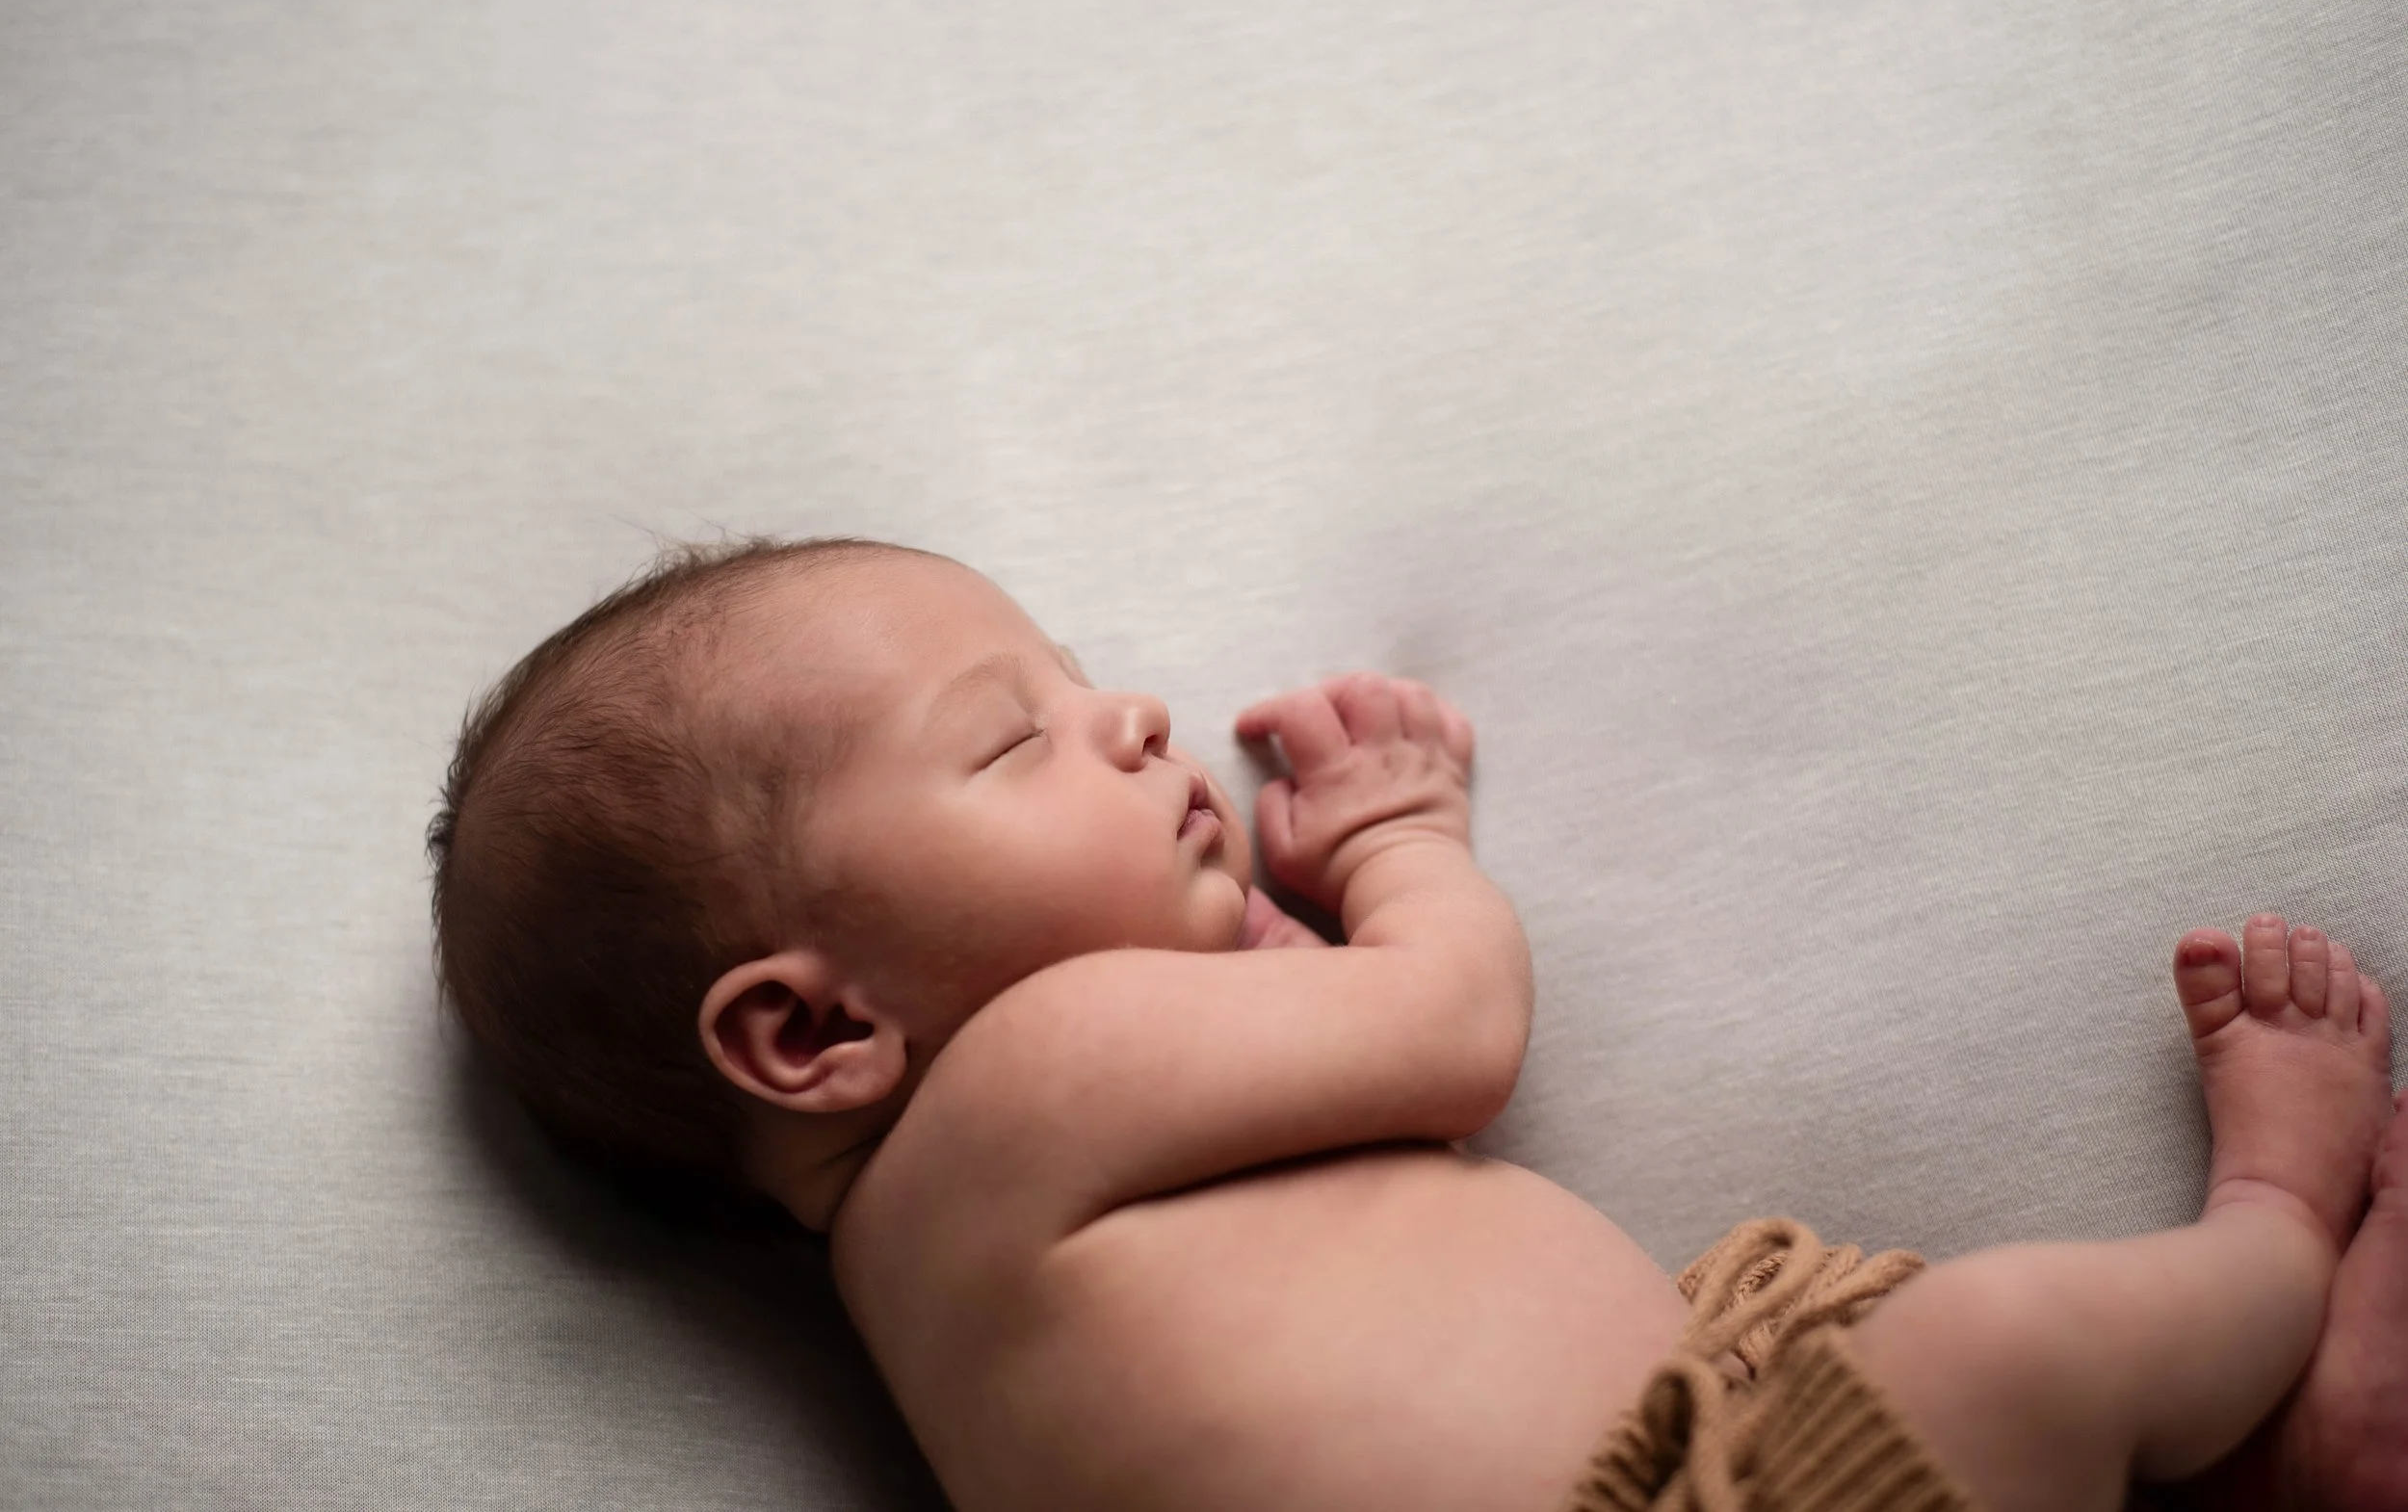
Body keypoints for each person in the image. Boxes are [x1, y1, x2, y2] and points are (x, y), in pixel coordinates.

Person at [428, 534, 2406, 1512]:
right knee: (2007, 1341)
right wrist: (1397, 856)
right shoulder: (1026, 1082)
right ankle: (2270, 1236)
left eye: (1085, 674)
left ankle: (2253, 1465)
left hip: (1719, 1445)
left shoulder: (972, 1270)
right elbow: (1447, 1031)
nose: (1126, 718)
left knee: (1935, 1381)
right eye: (1011, 736)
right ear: (807, 1035)